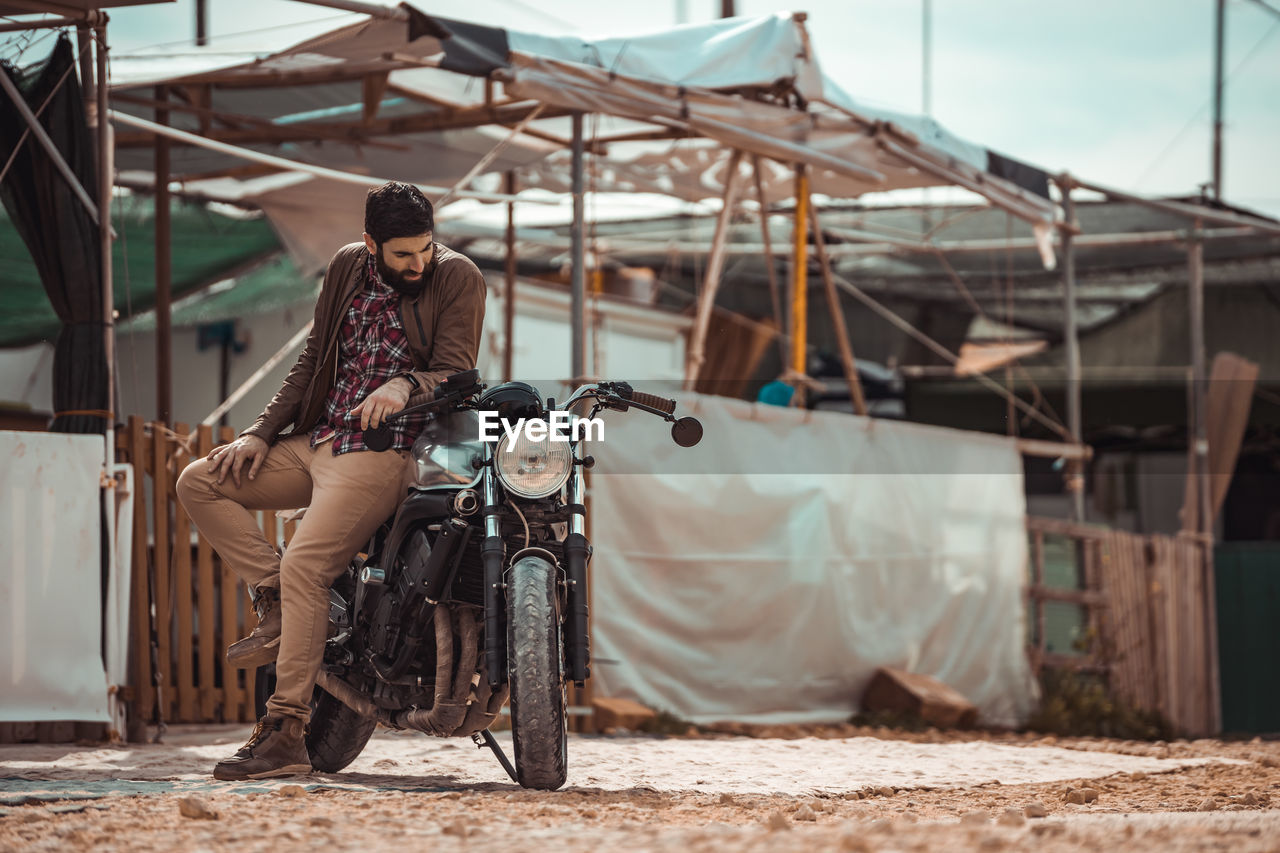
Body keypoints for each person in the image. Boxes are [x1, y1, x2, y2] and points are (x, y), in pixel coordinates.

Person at [176, 182, 486, 781]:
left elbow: (458, 372)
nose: (418, 263)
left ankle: (286, 730)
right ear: (370, 244)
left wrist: (404, 385)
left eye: (425, 248)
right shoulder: (346, 266)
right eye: (402, 254)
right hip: (318, 439)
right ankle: (273, 601)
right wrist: (260, 434)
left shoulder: (458, 276)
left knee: (306, 566)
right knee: (200, 480)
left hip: (383, 452)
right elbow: (315, 355)